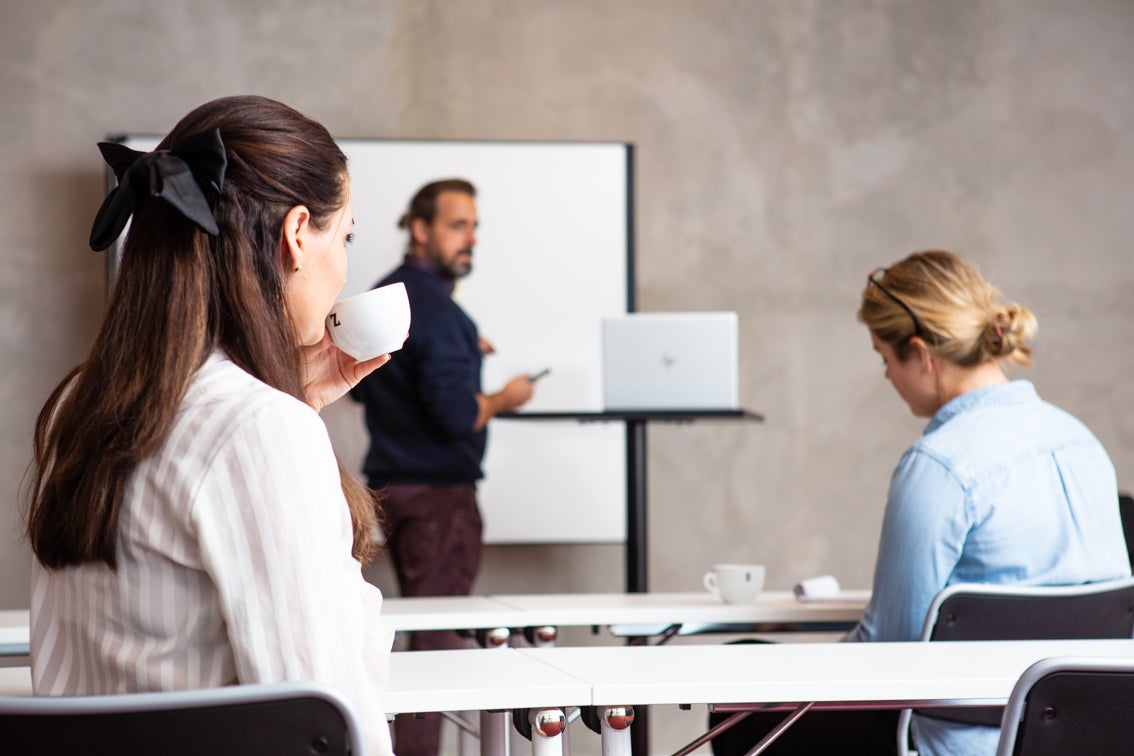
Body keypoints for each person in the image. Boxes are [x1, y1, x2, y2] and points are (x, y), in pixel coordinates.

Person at [26, 96, 397, 756]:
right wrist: (287, 424)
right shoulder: (260, 430)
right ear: (297, 234)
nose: (344, 265)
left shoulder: (75, 407)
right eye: (345, 238)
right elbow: (328, 719)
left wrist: (293, 409)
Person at [712, 250, 1130, 756]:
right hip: (1077, 738)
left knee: (737, 679)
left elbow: (886, 656)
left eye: (883, 357)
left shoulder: (939, 467)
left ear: (921, 354)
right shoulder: (1081, 442)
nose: (886, 376)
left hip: (946, 742)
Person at [351, 178, 535, 756]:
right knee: (436, 654)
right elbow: (457, 417)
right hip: (439, 502)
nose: (471, 238)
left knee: (421, 645)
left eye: (475, 227)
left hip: (394, 494)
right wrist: (506, 397)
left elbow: (363, 390)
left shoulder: (386, 299)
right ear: (422, 229)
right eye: (459, 225)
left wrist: (456, 347)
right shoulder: (442, 316)